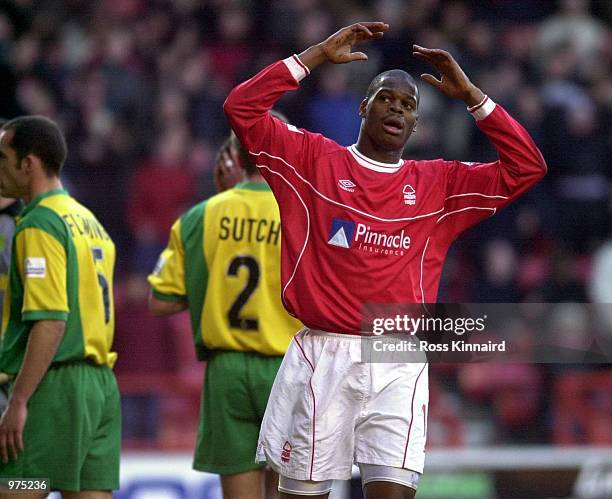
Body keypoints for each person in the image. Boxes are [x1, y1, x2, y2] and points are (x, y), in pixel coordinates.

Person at [224, 22, 546, 498]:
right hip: (324, 353)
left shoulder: (438, 184)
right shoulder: (314, 160)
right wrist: (313, 56)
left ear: (416, 125)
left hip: (397, 356)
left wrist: (475, 97)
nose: (397, 108)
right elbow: (240, 108)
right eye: (386, 98)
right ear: (363, 107)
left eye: (409, 105)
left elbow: (527, 166)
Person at [148, 128, 303, 499]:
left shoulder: (198, 216)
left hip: (226, 371)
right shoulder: (304, 213)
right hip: (289, 366)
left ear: (235, 156)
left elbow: (160, 300)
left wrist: (213, 278)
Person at [0, 116, 120, 497]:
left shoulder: (39, 224)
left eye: (2, 158)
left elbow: (51, 320)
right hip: (101, 389)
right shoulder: (88, 220)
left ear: (28, 163)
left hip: (55, 389)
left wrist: (18, 401)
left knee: (18, 488)